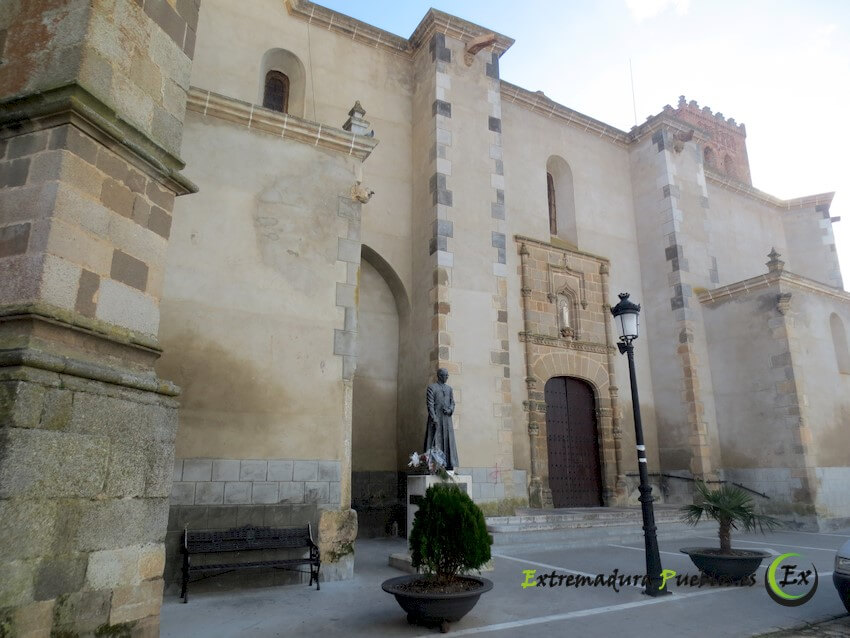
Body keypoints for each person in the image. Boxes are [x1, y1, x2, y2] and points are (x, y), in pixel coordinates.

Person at [423, 368, 459, 471]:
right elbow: (430, 404)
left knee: (448, 441)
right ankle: (434, 465)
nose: (447, 377)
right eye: (445, 375)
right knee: (435, 441)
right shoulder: (432, 388)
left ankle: (448, 464)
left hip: (447, 420)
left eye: (447, 375)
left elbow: (453, 402)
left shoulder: (449, 389)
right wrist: (434, 417)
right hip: (436, 420)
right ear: (439, 376)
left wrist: (450, 410)